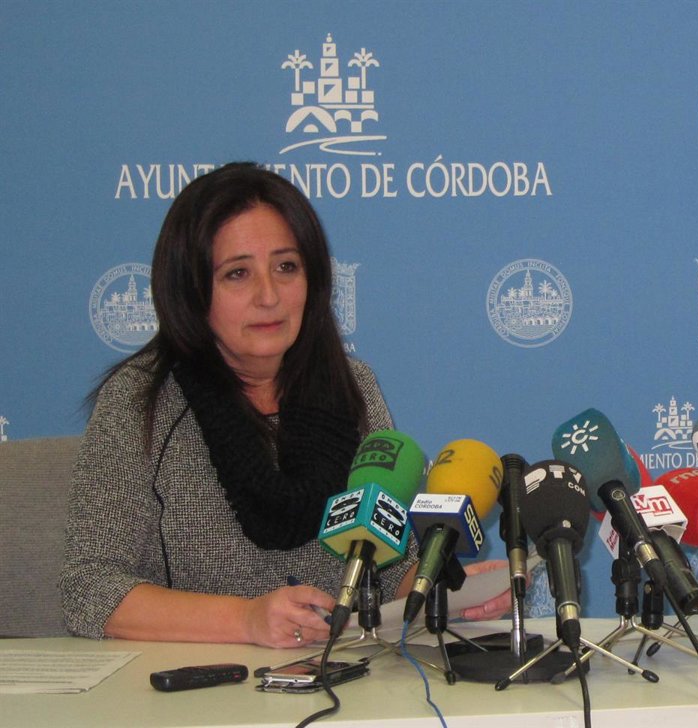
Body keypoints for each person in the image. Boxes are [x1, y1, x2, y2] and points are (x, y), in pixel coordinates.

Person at [60, 163, 505, 647]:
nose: (269, 296)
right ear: (190, 290)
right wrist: (246, 621)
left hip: (342, 673)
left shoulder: (351, 385)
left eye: (286, 267)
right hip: (197, 681)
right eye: (237, 274)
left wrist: (443, 589)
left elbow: (388, 567)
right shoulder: (141, 401)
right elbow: (90, 588)